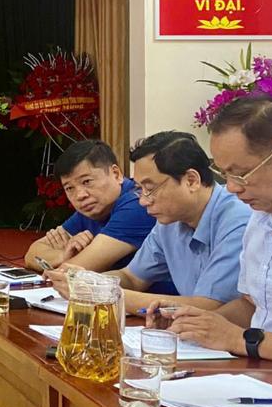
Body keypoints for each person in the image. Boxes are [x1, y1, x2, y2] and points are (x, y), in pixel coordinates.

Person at [158, 96, 272, 374]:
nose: (231, 188)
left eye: (240, 174)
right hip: (258, 372)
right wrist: (195, 325)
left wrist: (241, 340)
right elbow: (252, 305)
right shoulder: (262, 213)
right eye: (224, 174)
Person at [46, 132, 248, 310]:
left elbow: (210, 307)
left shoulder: (238, 221)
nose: (143, 201)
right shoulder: (168, 222)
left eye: (150, 189)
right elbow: (132, 278)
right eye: (139, 189)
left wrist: (103, 293)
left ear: (191, 180)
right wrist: (89, 281)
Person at [25, 139, 160, 274]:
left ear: (116, 174)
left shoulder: (138, 204)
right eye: (69, 188)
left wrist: (67, 261)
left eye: (87, 181)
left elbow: (74, 271)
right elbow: (32, 255)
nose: (80, 195)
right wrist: (63, 255)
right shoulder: (92, 208)